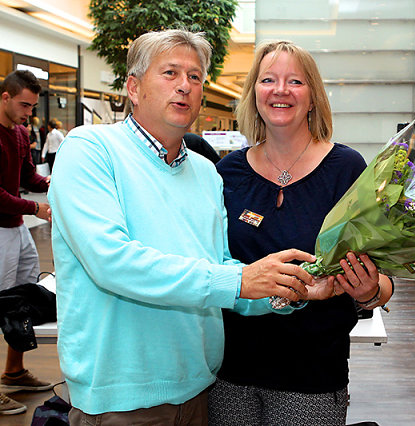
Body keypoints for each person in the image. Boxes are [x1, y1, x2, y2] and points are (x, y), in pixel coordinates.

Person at [47, 29, 317, 425]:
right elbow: (113, 262)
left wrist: (292, 289)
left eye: (195, 77)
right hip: (122, 398)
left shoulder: (207, 173)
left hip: (200, 392)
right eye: (170, 73)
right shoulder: (89, 150)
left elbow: (222, 270)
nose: (184, 86)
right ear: (134, 88)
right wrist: (241, 280)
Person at [208, 41, 394, 426]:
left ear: (313, 97)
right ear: (254, 94)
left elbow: (383, 276)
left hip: (311, 375)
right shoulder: (228, 173)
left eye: (295, 81)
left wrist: (369, 291)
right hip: (229, 372)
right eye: (268, 80)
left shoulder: (345, 167)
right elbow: (213, 266)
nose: (280, 90)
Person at [0, 70, 53, 415]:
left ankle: (14, 371)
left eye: (33, 106)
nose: (29, 113)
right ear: (5, 97)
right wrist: (35, 207)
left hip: (16, 228)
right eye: (24, 105)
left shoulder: (19, 134)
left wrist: (59, 181)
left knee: (19, 300)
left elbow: (26, 178)